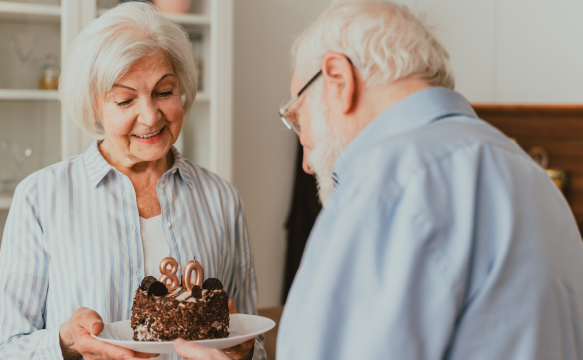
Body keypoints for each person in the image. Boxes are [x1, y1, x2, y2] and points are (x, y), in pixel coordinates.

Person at [174, 0, 583, 359]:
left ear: (338, 79)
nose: (307, 164)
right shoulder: (532, 176)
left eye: (298, 118)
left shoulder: (384, 186)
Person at [0, 3, 264, 360]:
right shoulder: (40, 198)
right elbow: (3, 352)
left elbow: (251, 341)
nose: (150, 116)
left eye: (164, 92)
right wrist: (65, 343)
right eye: (124, 99)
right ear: (94, 106)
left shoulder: (222, 199)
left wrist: (243, 353)